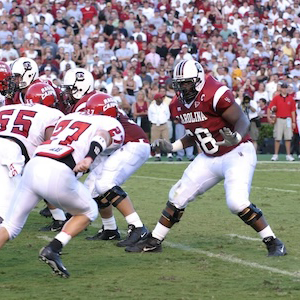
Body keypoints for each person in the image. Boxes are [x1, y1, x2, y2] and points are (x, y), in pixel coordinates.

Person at [126, 60, 287, 257]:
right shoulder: (178, 103)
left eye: (186, 83)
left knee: (236, 202)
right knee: (177, 195)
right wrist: (173, 146)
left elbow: (242, 119)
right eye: (179, 83)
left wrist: (234, 137)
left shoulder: (215, 92)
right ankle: (155, 240)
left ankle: (273, 241)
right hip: (209, 156)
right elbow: (196, 133)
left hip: (237, 152)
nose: (182, 88)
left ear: (198, 80)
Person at [0, 95, 125, 278]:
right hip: (58, 170)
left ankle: (54, 244)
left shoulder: (68, 118)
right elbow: (103, 135)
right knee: (89, 210)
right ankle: (53, 248)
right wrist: (89, 157)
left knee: (10, 226)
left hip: (34, 165)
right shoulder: (109, 123)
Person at [0, 81, 64, 223]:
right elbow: (51, 143)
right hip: (11, 152)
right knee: (7, 212)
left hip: (8, 147)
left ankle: (60, 219)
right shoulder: (51, 113)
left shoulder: (7, 108)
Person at [267, 82, 296, 161]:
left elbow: (293, 111)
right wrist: (269, 117)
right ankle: (275, 155)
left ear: (287, 89)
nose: (284, 89)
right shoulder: (276, 98)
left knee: (288, 138)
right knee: (277, 138)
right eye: (283, 88)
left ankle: (288, 155)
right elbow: (270, 107)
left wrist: (294, 122)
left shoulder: (291, 99)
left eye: (285, 88)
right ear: (281, 89)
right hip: (279, 118)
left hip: (288, 119)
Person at [148, 93, 173, 161]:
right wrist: (154, 122)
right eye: (160, 98)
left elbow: (168, 115)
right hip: (155, 125)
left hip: (164, 124)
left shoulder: (165, 106)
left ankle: (169, 154)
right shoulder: (151, 106)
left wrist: (164, 120)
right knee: (156, 141)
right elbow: (149, 116)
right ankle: (158, 155)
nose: (162, 99)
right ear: (156, 99)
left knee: (166, 140)